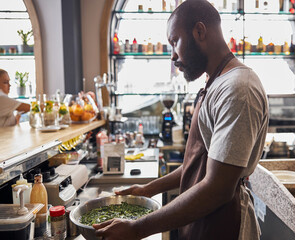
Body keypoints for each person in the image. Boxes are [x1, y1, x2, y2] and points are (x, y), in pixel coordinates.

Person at [94, 1, 269, 239]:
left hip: (224, 226)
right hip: (203, 223)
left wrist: (137, 229)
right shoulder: (216, 83)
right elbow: (199, 165)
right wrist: (149, 189)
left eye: (174, 41)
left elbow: (218, 189)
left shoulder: (238, 89)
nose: (173, 55)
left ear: (199, 31)